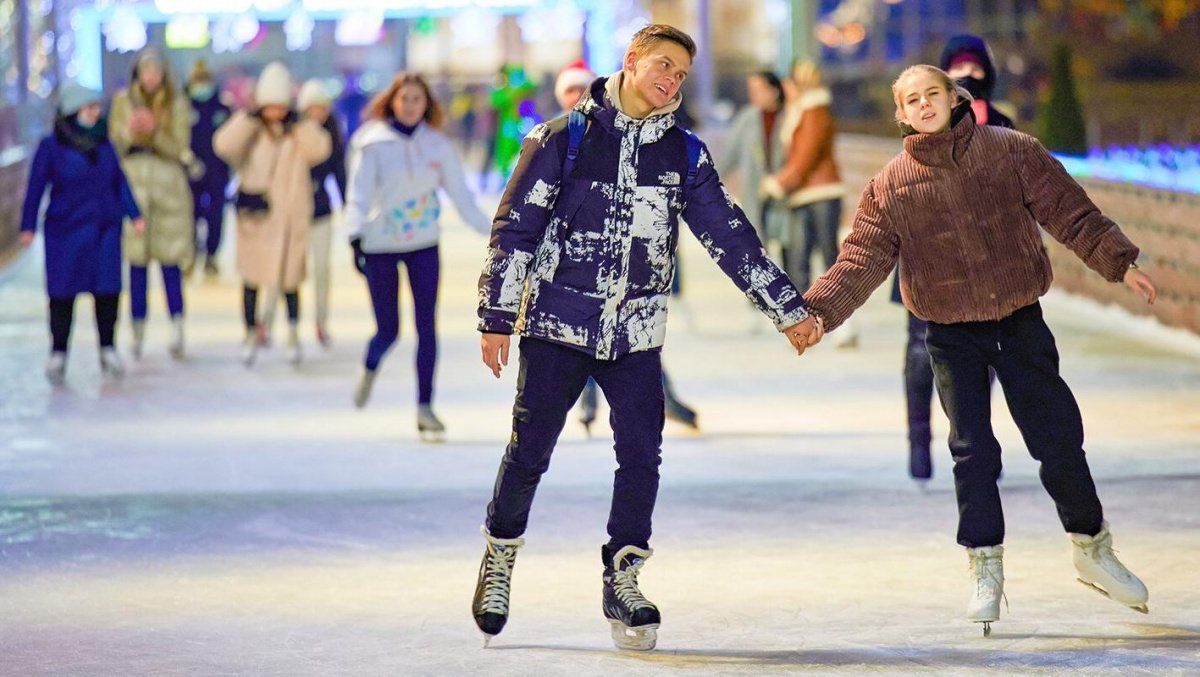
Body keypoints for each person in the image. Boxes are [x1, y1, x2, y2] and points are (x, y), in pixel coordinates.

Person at [471, 25, 817, 650]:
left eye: (681, 75)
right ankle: (500, 553)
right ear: (631, 62)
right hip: (557, 324)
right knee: (530, 451)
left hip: (635, 332)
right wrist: (497, 316)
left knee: (641, 454)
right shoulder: (564, 139)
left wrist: (785, 307)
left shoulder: (683, 153)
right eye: (663, 66)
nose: (671, 82)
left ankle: (623, 573)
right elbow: (515, 228)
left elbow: (728, 236)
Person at [800, 65, 1156, 635]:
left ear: (954, 96)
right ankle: (985, 563)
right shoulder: (891, 183)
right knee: (973, 450)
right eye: (910, 100)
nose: (922, 105)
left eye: (931, 94)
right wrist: (817, 313)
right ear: (900, 114)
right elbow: (861, 257)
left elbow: (1069, 210)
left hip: (1018, 319)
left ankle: (1092, 547)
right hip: (949, 330)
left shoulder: (1011, 150)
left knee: (1057, 435)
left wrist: (1119, 261)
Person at [894, 34, 1016, 485]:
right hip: (926, 260)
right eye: (958, 69)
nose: (969, 76)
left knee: (984, 358)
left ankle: (976, 447)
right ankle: (918, 442)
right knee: (921, 354)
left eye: (976, 68)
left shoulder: (1004, 127)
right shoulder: (919, 127)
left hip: (986, 268)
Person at [554, 60, 700, 434]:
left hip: (628, 264)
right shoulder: (557, 139)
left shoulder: (620, 133)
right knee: (586, 343)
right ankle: (587, 408)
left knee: (635, 343)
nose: (574, 96)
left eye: (579, 89)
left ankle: (666, 402)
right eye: (568, 91)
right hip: (578, 265)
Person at [344, 72, 492, 438]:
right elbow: (358, 193)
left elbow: (462, 197)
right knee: (389, 330)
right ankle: (371, 362)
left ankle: (425, 406)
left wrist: (497, 235)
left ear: (427, 105)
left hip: (424, 244)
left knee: (427, 327)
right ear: (392, 101)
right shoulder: (372, 143)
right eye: (404, 99)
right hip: (380, 245)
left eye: (417, 100)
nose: (410, 106)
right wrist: (355, 235)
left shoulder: (438, 147)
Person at [21, 83, 144, 384]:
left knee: (107, 292)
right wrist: (27, 225)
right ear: (73, 111)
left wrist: (134, 213)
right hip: (66, 231)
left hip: (103, 229)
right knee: (62, 294)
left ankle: (108, 347)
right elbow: (37, 187)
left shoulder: (105, 144)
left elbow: (119, 181)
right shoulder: (51, 147)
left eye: (96, 107)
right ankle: (59, 351)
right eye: (88, 107)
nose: (94, 112)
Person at [214, 62, 331, 366]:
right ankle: (250, 333)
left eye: (281, 106)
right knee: (252, 279)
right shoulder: (250, 131)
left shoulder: (297, 131)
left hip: (290, 219)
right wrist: (247, 118)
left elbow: (321, 149)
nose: (276, 113)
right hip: (257, 219)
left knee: (291, 280)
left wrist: (300, 123)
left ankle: (292, 334)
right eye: (270, 106)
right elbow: (223, 145)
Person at [109, 48, 201, 360]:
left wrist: (155, 132)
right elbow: (114, 146)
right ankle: (136, 329)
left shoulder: (176, 103)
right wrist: (130, 130)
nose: (150, 77)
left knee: (170, 261)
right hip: (134, 186)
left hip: (168, 189)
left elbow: (181, 148)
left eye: (156, 71)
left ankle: (177, 325)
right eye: (145, 71)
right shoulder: (123, 102)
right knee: (136, 263)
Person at [297, 79, 348, 347]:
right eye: (312, 108)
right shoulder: (293, 133)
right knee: (287, 268)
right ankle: (269, 322)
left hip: (321, 210)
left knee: (322, 270)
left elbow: (340, 171)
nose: (317, 113)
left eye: (322, 108)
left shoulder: (332, 134)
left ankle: (321, 322)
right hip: (294, 210)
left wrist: (346, 203)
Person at [186, 60, 232, 279]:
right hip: (190, 172)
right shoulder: (183, 107)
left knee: (215, 217)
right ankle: (191, 253)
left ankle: (211, 256)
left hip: (217, 172)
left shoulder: (222, 108)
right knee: (190, 216)